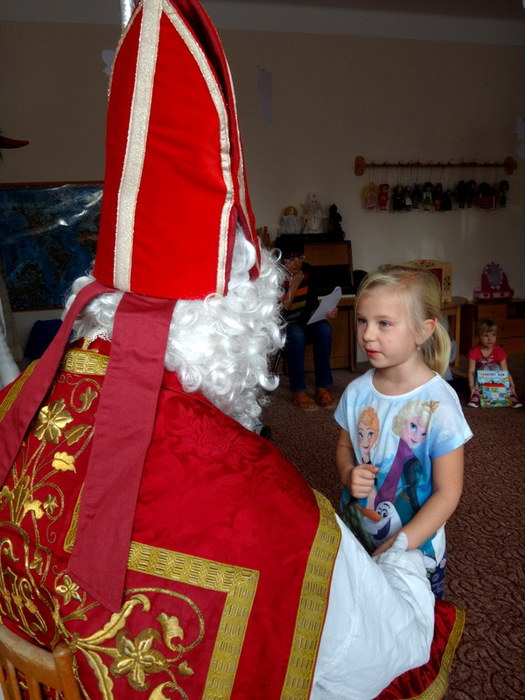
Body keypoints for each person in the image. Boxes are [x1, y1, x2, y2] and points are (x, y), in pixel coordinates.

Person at [0, 2, 464, 698]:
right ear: (233, 322)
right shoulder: (260, 504)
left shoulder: (22, 404)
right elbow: (372, 651)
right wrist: (401, 573)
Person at [335, 265, 473, 599]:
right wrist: (348, 472)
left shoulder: (439, 404)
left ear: (423, 331)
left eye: (384, 323)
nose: (368, 334)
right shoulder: (356, 392)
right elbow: (344, 447)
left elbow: (448, 492)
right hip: (358, 537)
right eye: (363, 321)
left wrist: (400, 544)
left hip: (413, 553)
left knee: (413, 620)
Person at [274, 235, 337, 411]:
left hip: (302, 322)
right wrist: (294, 284)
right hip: (280, 327)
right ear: (280, 259)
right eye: (290, 259)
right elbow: (281, 311)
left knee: (324, 328)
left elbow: (311, 305)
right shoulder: (273, 277)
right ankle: (298, 391)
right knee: (296, 333)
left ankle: (322, 387)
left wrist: (325, 311)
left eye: (300, 257)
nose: (297, 263)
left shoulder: (308, 271)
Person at [467, 317, 522, 408]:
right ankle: (476, 394)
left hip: (497, 377)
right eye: (486, 335)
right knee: (484, 368)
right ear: (478, 337)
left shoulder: (499, 351)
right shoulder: (474, 351)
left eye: (493, 334)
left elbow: (505, 371)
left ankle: (510, 394)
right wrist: (471, 386)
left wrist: (512, 385)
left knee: (496, 367)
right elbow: (471, 371)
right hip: (481, 379)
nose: (490, 339)